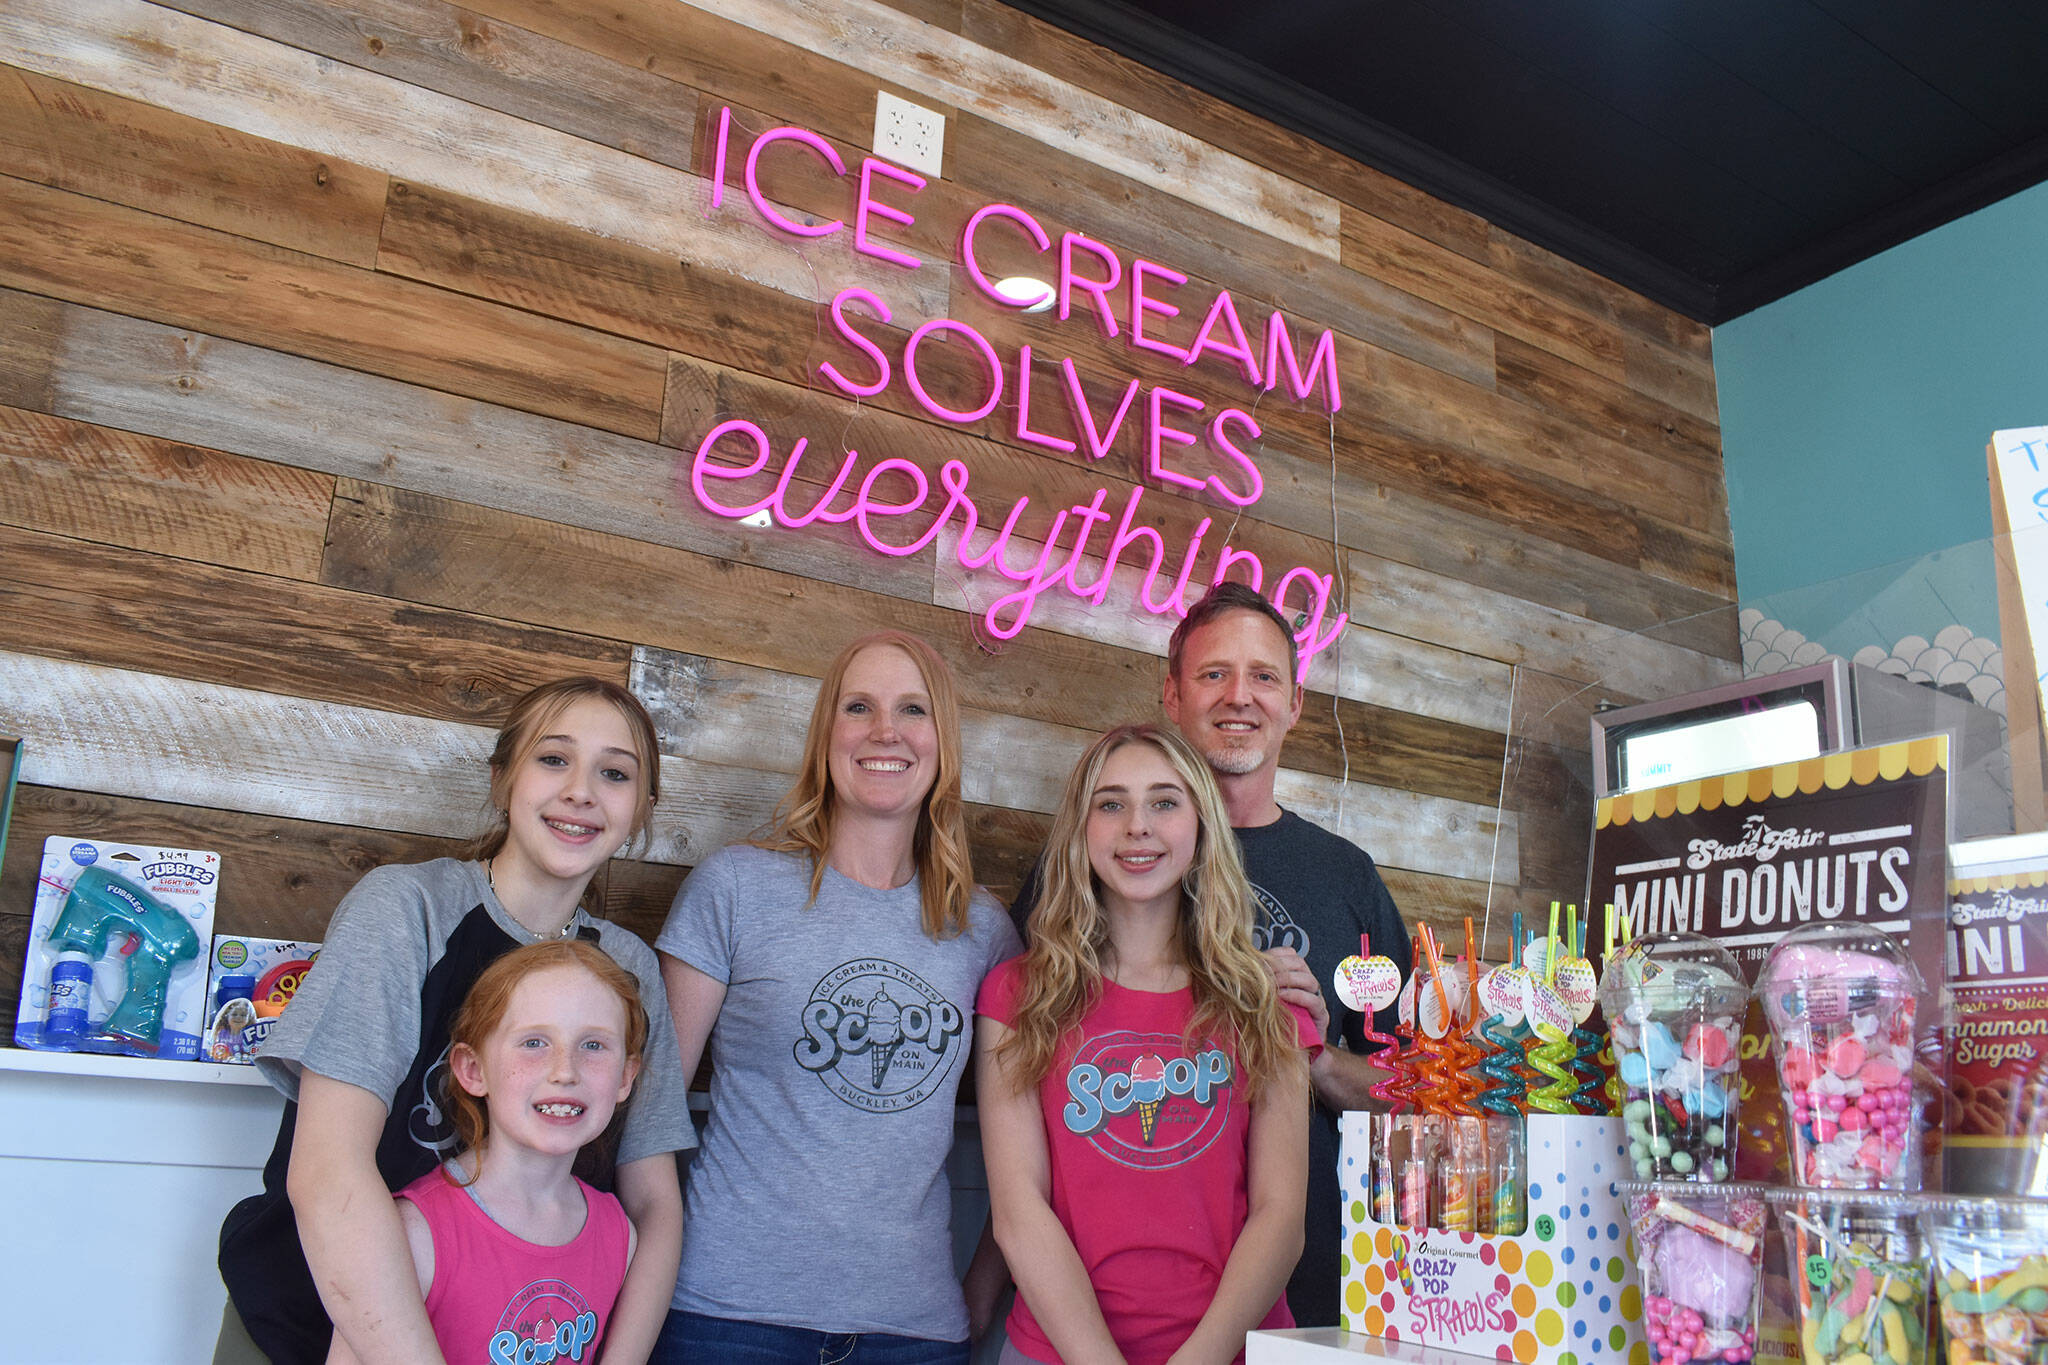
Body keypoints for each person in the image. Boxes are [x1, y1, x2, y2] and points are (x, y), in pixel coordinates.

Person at [216, 677, 692, 1365]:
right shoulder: (406, 910)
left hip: (506, 1337)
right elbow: (326, 1173)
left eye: (614, 772)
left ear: (641, 809)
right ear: (502, 779)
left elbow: (655, 1207)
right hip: (307, 1319)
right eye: (553, 759)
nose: (582, 790)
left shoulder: (630, 968)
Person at [1010, 581, 1412, 1327]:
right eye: (1213, 673)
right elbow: (1021, 1068)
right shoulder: (1088, 870)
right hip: (1091, 1310)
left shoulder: (1345, 878)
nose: (1240, 695)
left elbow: (1417, 1090)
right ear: (1172, 693)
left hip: (1315, 1291)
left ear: (1294, 704)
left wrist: (1313, 1055)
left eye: (1264, 675)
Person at [653, 630, 1022, 1364]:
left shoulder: (983, 929)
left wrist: (982, 1286)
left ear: (942, 741)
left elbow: (1027, 1146)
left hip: (912, 1329)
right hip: (725, 1318)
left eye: (912, 709)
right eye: (859, 707)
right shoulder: (734, 888)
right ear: (827, 735)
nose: (886, 730)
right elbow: (648, 1117)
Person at [977, 723, 1316, 1365]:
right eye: (1111, 804)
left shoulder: (1265, 999)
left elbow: (1280, 1220)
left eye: (1165, 802)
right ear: (1081, 830)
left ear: (1201, 826)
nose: (1138, 825)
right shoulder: (1017, 996)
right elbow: (1020, 1215)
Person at [328, 939, 646, 1365]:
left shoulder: (619, 1236)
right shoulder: (412, 1234)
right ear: (473, 1070)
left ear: (625, 1077)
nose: (565, 1071)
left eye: (593, 1045)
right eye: (534, 1042)